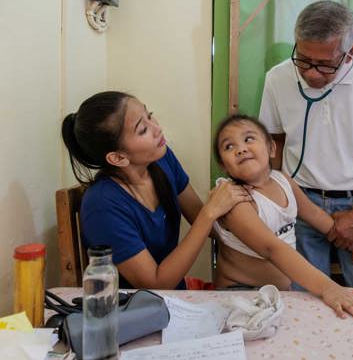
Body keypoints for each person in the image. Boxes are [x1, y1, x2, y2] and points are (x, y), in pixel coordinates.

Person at [259, 0, 353, 290]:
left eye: (325, 64)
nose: (311, 73)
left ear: (351, 52)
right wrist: (276, 204)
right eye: (303, 59)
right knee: (304, 302)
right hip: (299, 202)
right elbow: (274, 142)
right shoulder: (278, 78)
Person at [61, 91, 251, 290]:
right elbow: (155, 283)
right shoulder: (102, 206)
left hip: (176, 296)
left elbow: (202, 220)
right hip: (134, 309)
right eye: (143, 129)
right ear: (118, 158)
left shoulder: (162, 159)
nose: (157, 128)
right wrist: (210, 212)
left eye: (149, 115)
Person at [212, 114, 353, 321]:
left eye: (248, 139)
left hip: (279, 292)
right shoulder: (234, 199)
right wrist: (329, 288)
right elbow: (272, 249)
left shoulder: (283, 181)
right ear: (224, 166)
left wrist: (349, 240)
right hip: (240, 294)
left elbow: (314, 214)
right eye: (229, 146)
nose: (241, 148)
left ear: (272, 149)